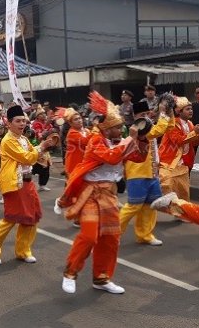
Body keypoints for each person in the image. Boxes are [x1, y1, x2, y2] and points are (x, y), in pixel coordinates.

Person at [56, 91, 145, 295]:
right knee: (89, 236)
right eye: (117, 127)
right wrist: (129, 139)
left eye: (121, 126)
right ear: (106, 128)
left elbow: (139, 158)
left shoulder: (118, 140)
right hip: (91, 195)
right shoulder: (95, 141)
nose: (121, 129)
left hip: (110, 197)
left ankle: (102, 278)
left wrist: (141, 140)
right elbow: (113, 158)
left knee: (111, 238)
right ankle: (70, 273)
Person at [0, 106, 53, 266]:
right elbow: (27, 158)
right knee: (10, 218)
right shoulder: (8, 140)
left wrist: (43, 150)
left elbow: (33, 153)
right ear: (9, 123)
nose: (22, 123)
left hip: (27, 183)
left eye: (23, 120)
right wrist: (42, 147)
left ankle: (23, 251)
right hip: (14, 183)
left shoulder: (23, 139)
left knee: (32, 217)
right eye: (18, 121)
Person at [119, 100, 173, 246]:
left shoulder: (150, 126)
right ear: (135, 117)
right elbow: (160, 130)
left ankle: (145, 235)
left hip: (152, 173)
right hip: (137, 173)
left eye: (147, 113)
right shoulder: (136, 129)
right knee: (133, 206)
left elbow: (169, 126)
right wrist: (163, 113)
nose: (147, 117)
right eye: (142, 114)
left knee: (150, 205)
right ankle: (112, 235)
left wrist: (169, 111)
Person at [158, 96, 199, 201]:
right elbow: (178, 141)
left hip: (184, 163)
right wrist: (195, 132)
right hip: (170, 162)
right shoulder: (172, 123)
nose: (191, 111)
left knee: (183, 192)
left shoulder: (190, 124)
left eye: (191, 109)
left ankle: (182, 214)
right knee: (167, 188)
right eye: (187, 109)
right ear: (179, 111)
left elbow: (194, 142)